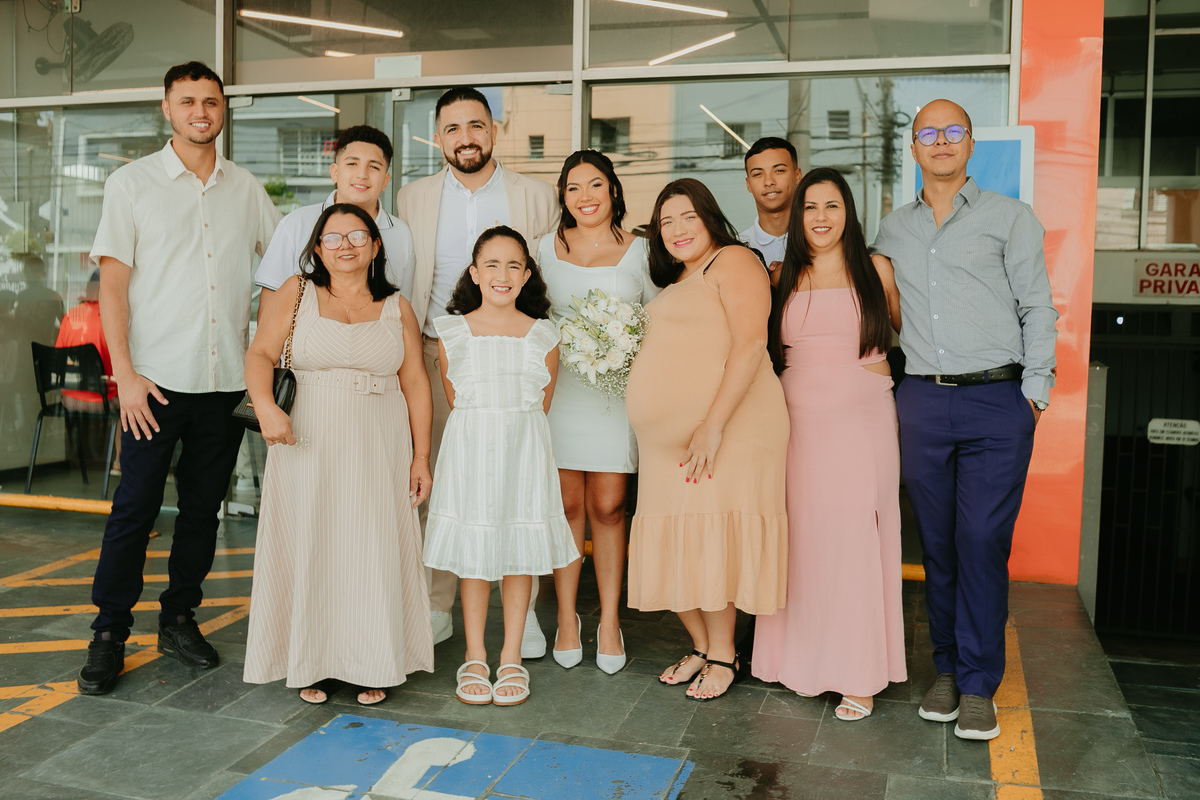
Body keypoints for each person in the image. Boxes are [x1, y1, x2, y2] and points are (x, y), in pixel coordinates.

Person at [77, 61, 281, 696]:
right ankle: (109, 632)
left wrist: (270, 351)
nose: (201, 112)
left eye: (211, 101)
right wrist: (125, 377)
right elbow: (112, 288)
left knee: (201, 511)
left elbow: (283, 272)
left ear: (223, 110)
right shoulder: (131, 183)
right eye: (188, 101)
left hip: (225, 383)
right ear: (167, 109)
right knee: (134, 510)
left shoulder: (245, 188)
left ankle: (179, 619)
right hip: (154, 384)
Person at [871, 99, 1058, 740]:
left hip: (996, 401)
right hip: (922, 400)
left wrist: (1033, 394)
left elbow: (1038, 307)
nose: (941, 141)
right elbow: (875, 303)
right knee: (940, 545)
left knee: (981, 540)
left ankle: (979, 684)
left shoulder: (1011, 217)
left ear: (972, 143)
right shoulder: (892, 229)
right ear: (914, 149)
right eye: (928, 132)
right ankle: (947, 671)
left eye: (954, 131)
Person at [242, 204, 434, 706]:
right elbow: (260, 353)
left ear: (375, 245)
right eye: (332, 237)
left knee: (371, 547)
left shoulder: (398, 307)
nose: (345, 245)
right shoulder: (296, 291)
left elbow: (416, 382)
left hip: (378, 442)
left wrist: (421, 457)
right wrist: (266, 407)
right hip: (307, 438)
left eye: (357, 235)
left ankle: (373, 660)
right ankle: (313, 660)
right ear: (317, 248)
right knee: (314, 541)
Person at [396, 86, 559, 655]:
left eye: (475, 126)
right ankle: (439, 603)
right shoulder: (412, 197)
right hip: (439, 351)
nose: (465, 138)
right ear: (437, 138)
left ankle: (525, 612)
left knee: (520, 479)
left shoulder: (535, 196)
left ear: (494, 130)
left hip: (516, 353)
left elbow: (551, 268)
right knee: (446, 481)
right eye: (452, 128)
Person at [625, 178, 789, 701]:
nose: (677, 229)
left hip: (730, 428)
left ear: (709, 217)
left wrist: (712, 424)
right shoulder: (677, 279)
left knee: (711, 538)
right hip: (671, 444)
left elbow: (750, 344)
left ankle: (723, 654)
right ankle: (702, 645)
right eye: (666, 221)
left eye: (687, 217)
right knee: (678, 541)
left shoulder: (733, 261)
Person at [751, 168, 906, 720]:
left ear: (848, 212)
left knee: (857, 538)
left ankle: (859, 673)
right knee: (804, 541)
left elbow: (909, 334)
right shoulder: (780, 275)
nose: (820, 217)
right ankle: (805, 663)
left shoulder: (877, 269)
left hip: (862, 419)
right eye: (810, 207)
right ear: (798, 216)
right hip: (796, 423)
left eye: (832, 206)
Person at [423, 226, 578, 706]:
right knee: (474, 556)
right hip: (471, 451)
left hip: (523, 451)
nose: (502, 274)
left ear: (527, 275)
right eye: (491, 264)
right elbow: (457, 399)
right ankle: (475, 654)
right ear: (474, 273)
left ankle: (510, 655)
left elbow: (541, 404)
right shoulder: (451, 331)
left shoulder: (544, 334)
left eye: (514, 265)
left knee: (518, 553)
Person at [537, 150, 657, 674]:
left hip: (616, 394)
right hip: (559, 390)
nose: (584, 197)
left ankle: (609, 620)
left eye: (595, 185)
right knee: (567, 506)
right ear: (563, 197)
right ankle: (567, 618)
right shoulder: (543, 248)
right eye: (573, 188)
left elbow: (660, 318)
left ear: (613, 191)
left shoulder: (642, 250)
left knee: (609, 506)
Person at [255, 125, 416, 306]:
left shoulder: (402, 234)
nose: (362, 174)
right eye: (352, 164)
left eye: (373, 166)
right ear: (335, 172)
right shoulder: (295, 224)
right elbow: (269, 305)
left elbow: (403, 307)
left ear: (385, 181)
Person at [738, 138, 802, 278]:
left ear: (797, 176)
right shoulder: (736, 248)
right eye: (757, 174)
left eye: (779, 170)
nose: (768, 182)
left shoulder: (819, 240)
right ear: (748, 184)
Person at [15, 255, 64, 346]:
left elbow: (64, 323)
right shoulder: (22, 296)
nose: (30, 276)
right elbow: (17, 322)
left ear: (43, 274)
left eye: (34, 273)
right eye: (28, 273)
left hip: (42, 346)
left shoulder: (52, 297)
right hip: (27, 346)